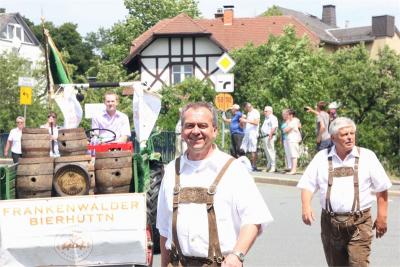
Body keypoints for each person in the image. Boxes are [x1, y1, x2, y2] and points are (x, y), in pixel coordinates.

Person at [156, 102, 273, 267]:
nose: (196, 131)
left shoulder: (234, 170)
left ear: (215, 130)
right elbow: (163, 229)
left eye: (202, 125)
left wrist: (237, 255)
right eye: (189, 126)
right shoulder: (170, 171)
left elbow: (254, 219)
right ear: (182, 132)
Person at [297, 117, 392, 267]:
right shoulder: (321, 158)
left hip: (360, 223)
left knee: (358, 264)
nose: (349, 137)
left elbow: (382, 189)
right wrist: (306, 206)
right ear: (333, 137)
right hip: (330, 223)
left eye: (352, 133)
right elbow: (307, 185)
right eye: (344, 134)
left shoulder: (367, 156)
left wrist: (382, 217)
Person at [239, 102, 260, 172]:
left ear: (248, 107)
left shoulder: (255, 112)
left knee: (253, 150)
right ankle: (244, 164)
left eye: (245, 108)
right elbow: (248, 123)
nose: (245, 110)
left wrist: (246, 120)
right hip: (247, 133)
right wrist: (243, 122)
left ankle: (254, 166)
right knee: (243, 148)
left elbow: (256, 123)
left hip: (253, 133)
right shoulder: (249, 113)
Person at [260, 106, 278, 172]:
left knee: (271, 151)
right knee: (267, 152)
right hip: (264, 136)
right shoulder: (266, 118)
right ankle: (269, 165)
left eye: (266, 111)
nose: (264, 112)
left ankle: (273, 166)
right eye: (264, 111)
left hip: (270, 136)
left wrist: (270, 135)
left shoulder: (273, 117)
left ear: (270, 111)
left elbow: (274, 127)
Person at [284, 109, 301, 174]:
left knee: (294, 155)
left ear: (291, 115)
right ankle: (292, 169)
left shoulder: (293, 121)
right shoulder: (292, 121)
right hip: (290, 139)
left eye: (287, 115)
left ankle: (294, 170)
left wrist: (287, 123)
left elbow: (286, 130)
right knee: (292, 154)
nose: (286, 116)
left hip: (293, 140)